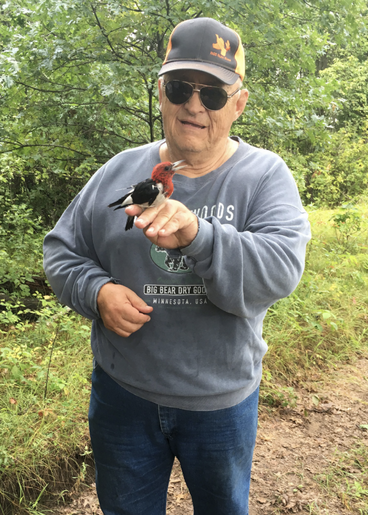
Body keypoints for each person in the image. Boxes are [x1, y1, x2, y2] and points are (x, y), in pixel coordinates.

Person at [43, 17, 311, 515]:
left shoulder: (264, 177)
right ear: (162, 92)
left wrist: (197, 235)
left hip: (221, 405)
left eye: (212, 94)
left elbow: (278, 272)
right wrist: (97, 294)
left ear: (239, 104)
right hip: (122, 398)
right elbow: (61, 251)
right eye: (180, 87)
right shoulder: (118, 172)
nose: (194, 104)